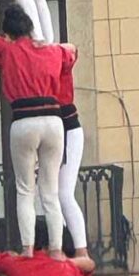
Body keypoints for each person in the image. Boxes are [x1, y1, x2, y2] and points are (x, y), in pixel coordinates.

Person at [0, 6, 75, 255]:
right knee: (51, 191)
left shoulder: (8, 49)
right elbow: (72, 52)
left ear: (8, 33)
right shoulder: (52, 51)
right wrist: (62, 46)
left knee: (25, 189)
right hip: (53, 121)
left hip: (24, 120)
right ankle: (56, 250)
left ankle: (27, 248)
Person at [56, 51, 88, 255]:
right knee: (51, 196)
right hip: (56, 129)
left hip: (66, 130)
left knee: (63, 194)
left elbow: (72, 51)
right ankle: (62, 245)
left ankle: (79, 248)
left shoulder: (54, 57)